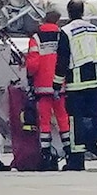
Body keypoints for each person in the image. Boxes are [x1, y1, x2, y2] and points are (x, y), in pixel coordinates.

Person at [53, 0, 97, 171]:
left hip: (76, 86)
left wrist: (57, 85)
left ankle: (77, 161)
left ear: (69, 12)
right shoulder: (95, 30)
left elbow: (62, 60)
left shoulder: (66, 31)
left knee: (76, 121)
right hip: (95, 85)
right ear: (83, 12)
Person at [26, 10, 71, 170]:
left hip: (42, 87)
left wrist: (30, 76)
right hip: (61, 85)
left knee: (44, 122)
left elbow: (33, 65)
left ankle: (46, 155)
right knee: (63, 120)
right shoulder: (62, 36)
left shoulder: (36, 38)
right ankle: (69, 152)